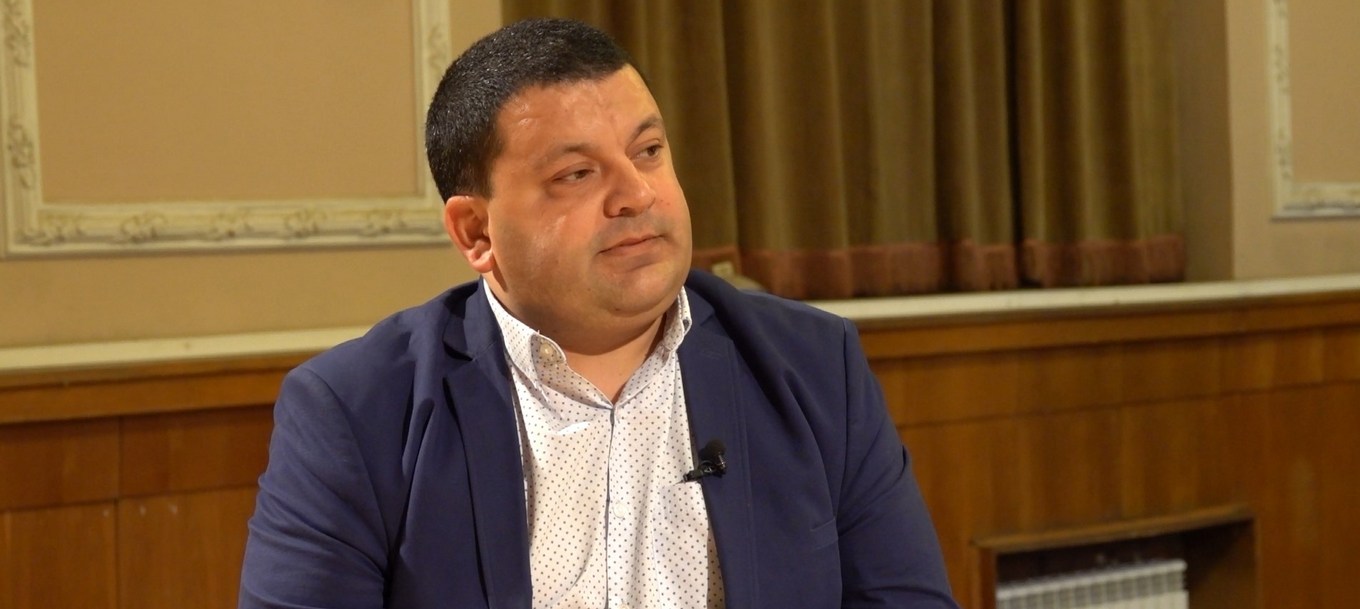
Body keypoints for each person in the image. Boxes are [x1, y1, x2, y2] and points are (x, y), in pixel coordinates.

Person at [239, 17, 958, 609]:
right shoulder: (358, 411)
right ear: (475, 232)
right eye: (577, 174)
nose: (637, 194)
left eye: (648, 150)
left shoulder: (814, 367)